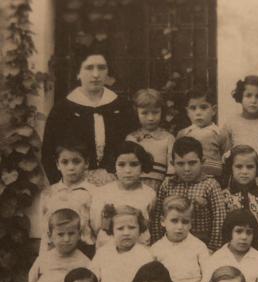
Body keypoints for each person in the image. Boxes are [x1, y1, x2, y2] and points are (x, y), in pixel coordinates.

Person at [41, 45, 138, 186]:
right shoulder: (63, 109)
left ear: (108, 72)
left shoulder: (122, 107)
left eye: (101, 68)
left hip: (117, 184)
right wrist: (65, 186)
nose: (96, 74)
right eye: (89, 68)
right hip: (74, 185)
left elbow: (133, 147)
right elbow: (48, 154)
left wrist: (115, 176)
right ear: (78, 72)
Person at [151, 136, 227, 252]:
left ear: (202, 162)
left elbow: (219, 219)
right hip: (171, 243)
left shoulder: (210, 185)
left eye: (192, 163)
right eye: (180, 164)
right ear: (173, 164)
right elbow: (157, 216)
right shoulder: (168, 185)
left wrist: (213, 248)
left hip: (202, 244)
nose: (187, 169)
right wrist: (158, 242)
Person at [90, 205, 153, 282]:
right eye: (120, 228)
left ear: (140, 229)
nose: (126, 233)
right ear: (111, 230)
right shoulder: (103, 253)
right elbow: (92, 279)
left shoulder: (144, 255)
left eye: (132, 228)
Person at [90, 141, 156, 248]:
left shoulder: (149, 194)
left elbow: (151, 225)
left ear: (142, 165)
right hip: (108, 247)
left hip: (139, 247)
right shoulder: (102, 193)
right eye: (121, 164)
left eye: (134, 164)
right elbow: (96, 226)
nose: (128, 170)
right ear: (114, 165)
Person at [150, 195, 209, 282]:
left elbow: (208, 276)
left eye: (185, 222)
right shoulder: (156, 249)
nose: (180, 227)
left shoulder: (199, 246)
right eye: (174, 221)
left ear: (191, 223)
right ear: (163, 221)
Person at [38, 139, 96, 257]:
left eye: (76, 162)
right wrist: (42, 259)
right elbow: (45, 233)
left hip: (85, 251)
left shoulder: (94, 192)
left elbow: (97, 229)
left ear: (86, 163)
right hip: (55, 251)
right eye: (65, 162)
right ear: (58, 165)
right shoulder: (48, 193)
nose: (71, 167)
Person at [222, 75, 258, 195]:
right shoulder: (231, 122)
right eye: (248, 95)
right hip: (241, 170)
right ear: (240, 97)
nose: (253, 100)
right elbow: (226, 153)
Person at [221, 145, 258, 255]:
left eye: (250, 167)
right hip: (232, 248)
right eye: (239, 167)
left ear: (257, 169)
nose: (244, 171)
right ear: (231, 168)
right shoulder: (224, 196)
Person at [126, 88, 175, 192]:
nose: (151, 118)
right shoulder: (131, 138)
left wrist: (168, 184)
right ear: (136, 113)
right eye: (144, 113)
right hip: (136, 185)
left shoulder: (168, 138)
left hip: (161, 186)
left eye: (155, 112)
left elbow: (172, 167)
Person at [176, 87, 229, 183]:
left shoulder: (219, 133)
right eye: (193, 108)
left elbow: (226, 157)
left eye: (203, 107)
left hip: (214, 179)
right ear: (187, 112)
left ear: (213, 110)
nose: (198, 113)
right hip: (189, 178)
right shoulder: (183, 134)